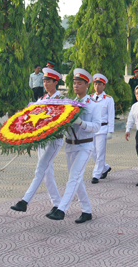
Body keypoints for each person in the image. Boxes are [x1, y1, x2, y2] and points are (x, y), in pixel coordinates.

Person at [48, 68, 101, 223]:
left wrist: (81, 123)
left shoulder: (93, 105)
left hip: (85, 146)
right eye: (74, 83)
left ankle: (61, 210)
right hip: (70, 145)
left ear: (87, 86)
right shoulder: (70, 104)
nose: (76, 86)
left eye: (79, 83)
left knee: (73, 178)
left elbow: (97, 127)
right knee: (76, 179)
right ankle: (87, 211)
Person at [11, 68, 64, 215]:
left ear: (56, 82)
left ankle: (24, 201)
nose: (46, 84)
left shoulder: (61, 100)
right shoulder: (41, 99)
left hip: (54, 141)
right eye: (44, 81)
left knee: (40, 169)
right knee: (47, 173)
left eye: (49, 81)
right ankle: (57, 203)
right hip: (41, 141)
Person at [90, 73, 115, 184]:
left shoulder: (108, 99)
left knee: (100, 152)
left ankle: (96, 174)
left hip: (102, 129)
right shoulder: (90, 98)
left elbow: (111, 115)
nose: (97, 86)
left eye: (100, 84)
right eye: (95, 84)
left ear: (104, 86)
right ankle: (105, 167)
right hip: (92, 129)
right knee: (92, 152)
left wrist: (110, 131)